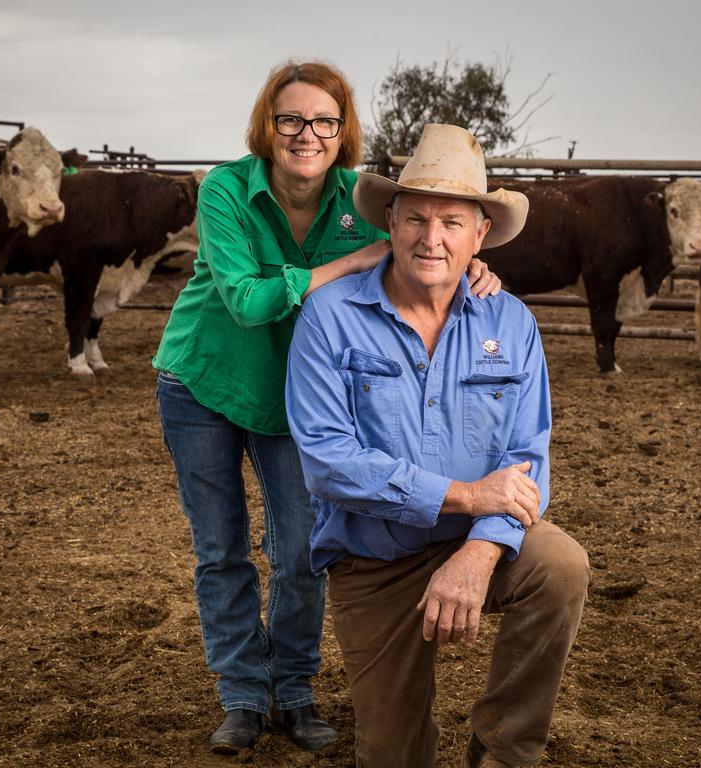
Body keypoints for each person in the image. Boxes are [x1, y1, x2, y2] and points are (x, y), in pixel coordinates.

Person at [153, 63, 501, 756]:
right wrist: (349, 264)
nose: (306, 134)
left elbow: (419, 247)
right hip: (203, 381)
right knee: (220, 549)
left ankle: (296, 687)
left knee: (302, 550)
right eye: (290, 120)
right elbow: (249, 302)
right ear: (268, 126)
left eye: (324, 121)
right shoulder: (225, 189)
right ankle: (242, 696)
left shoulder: (361, 199)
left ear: (342, 132)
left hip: (298, 395)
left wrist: (473, 268)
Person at [285, 124, 590, 768]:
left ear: (480, 235)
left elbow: (527, 457)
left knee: (559, 565)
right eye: (417, 219)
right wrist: (466, 494)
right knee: (394, 756)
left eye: (453, 221)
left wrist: (479, 551)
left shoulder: (510, 321)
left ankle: (505, 752)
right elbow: (327, 461)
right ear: (388, 223)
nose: (433, 239)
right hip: (373, 559)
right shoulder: (329, 316)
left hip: (474, 539)